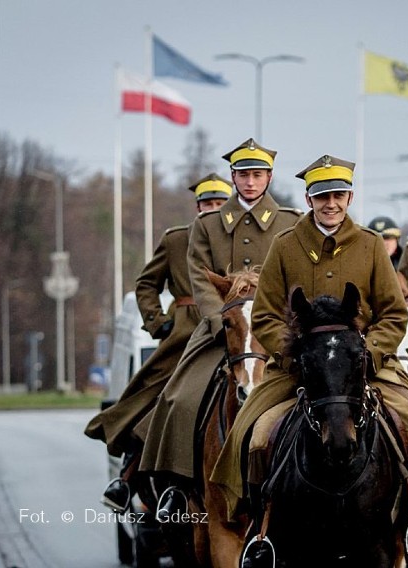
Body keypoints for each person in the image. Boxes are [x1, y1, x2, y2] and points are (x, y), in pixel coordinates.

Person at [210, 154, 408, 557]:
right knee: (253, 435)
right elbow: (263, 314)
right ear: (309, 198)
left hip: (361, 364)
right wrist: (295, 352)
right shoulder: (285, 245)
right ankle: (259, 529)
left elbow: (393, 313)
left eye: (338, 195)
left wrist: (369, 353)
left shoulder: (369, 244)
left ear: (349, 197)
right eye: (321, 196)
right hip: (297, 367)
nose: (330, 203)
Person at [137, 139, 301, 521]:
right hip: (222, 328)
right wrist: (218, 321)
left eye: (257, 175)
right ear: (233, 177)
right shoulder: (207, 225)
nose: (250, 182)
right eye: (243, 175)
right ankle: (178, 487)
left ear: (269, 178)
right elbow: (198, 276)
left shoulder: (291, 222)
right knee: (179, 398)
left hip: (275, 330)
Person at [84, 172, 232, 512]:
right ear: (197, 207)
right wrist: (159, 322)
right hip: (185, 333)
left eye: (219, 204)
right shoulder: (176, 239)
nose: (213, 209)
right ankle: (127, 479)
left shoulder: (242, 239)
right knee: (157, 397)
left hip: (232, 329)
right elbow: (146, 284)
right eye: (207, 204)